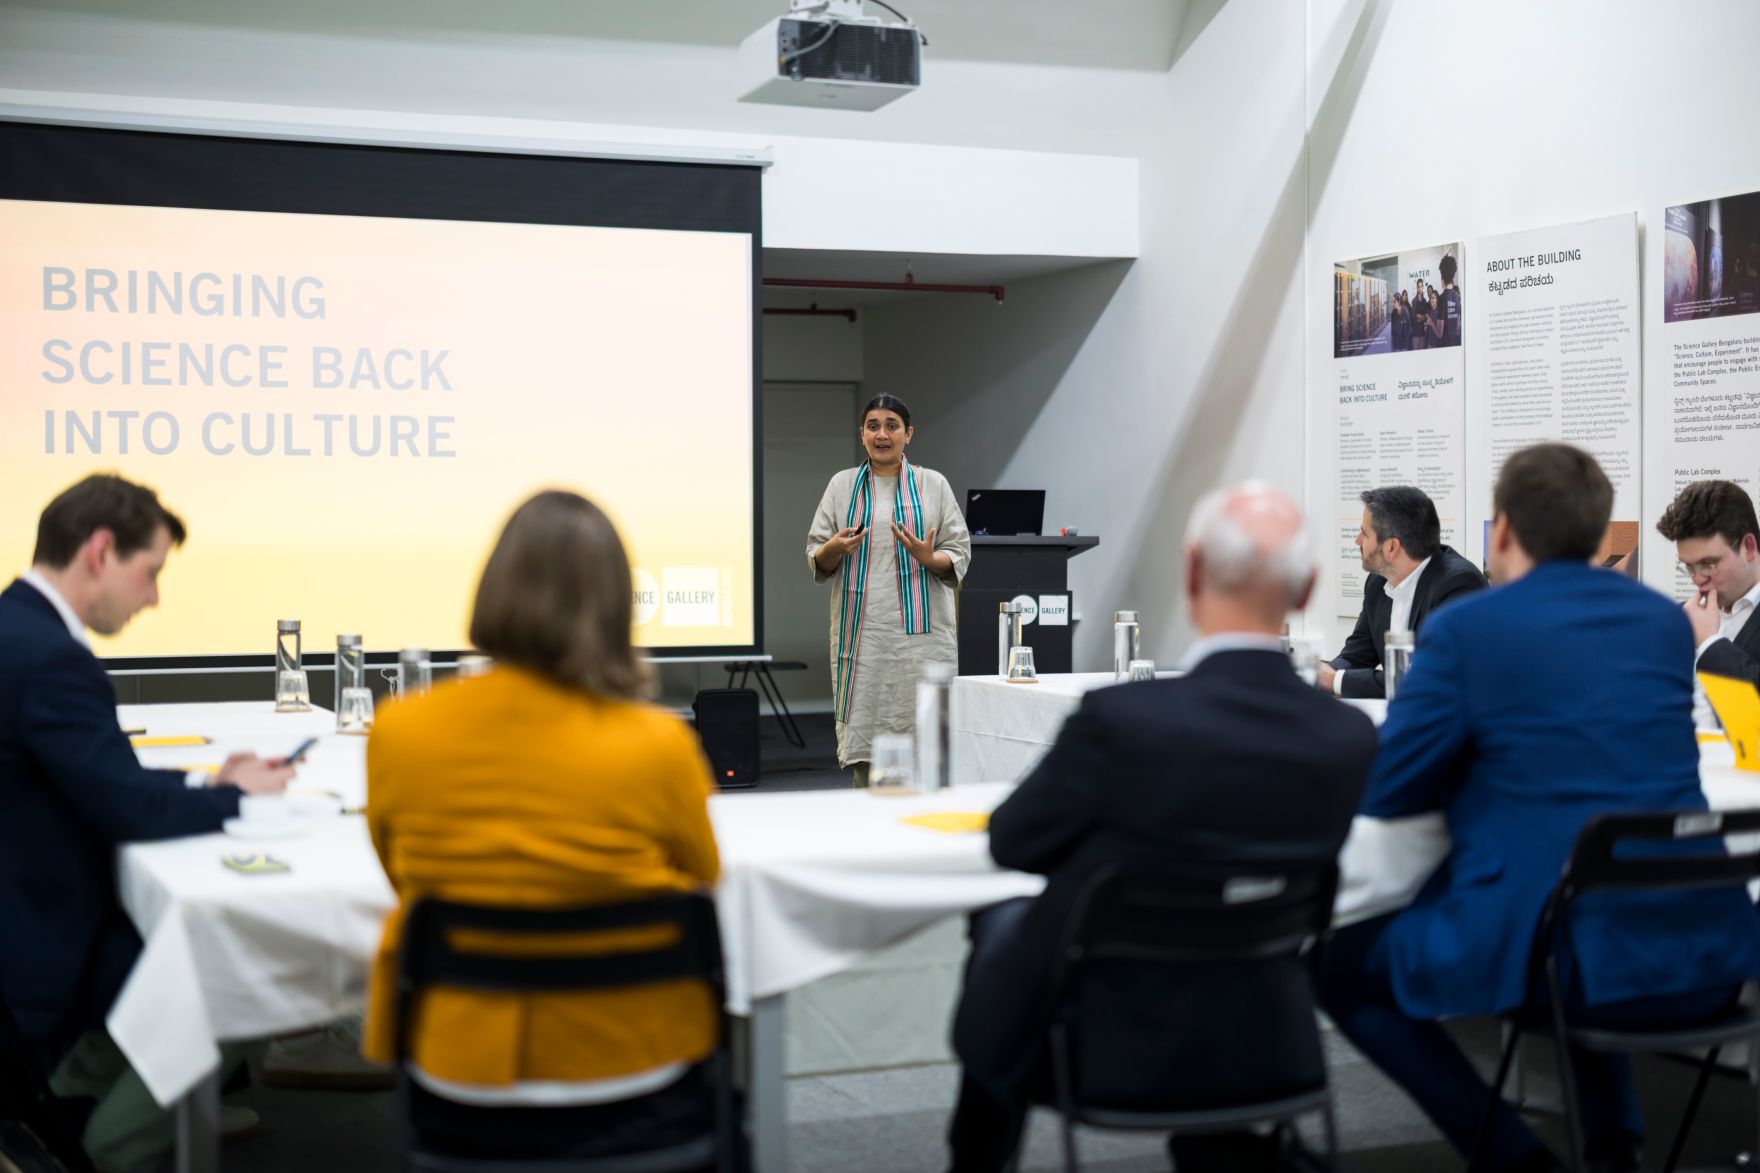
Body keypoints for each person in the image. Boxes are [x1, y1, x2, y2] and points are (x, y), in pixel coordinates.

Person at [1320, 444, 1760, 1173]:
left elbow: (1392, 786)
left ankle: (1516, 1160)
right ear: (1596, 532)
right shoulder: (1660, 621)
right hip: (1705, 950)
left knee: (1341, 967)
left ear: (1501, 532)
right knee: (1577, 893)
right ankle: (1613, 1150)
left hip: (1564, 961)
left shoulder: (1468, 627)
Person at [946, 483, 1378, 1173]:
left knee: (1001, 921)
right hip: (1264, 1033)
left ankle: (978, 1157)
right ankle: (1224, 1140)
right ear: (1307, 588)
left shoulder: (1123, 719)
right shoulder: (1346, 738)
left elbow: (1013, 842)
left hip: (1102, 1038)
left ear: (1192, 572)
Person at [361, 490, 726, 1163]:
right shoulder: (659, 745)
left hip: (460, 1074)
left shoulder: (401, 730)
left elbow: (401, 875)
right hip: (637, 1064)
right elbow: (702, 878)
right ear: (615, 604)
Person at [0, 474, 294, 1173]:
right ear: (100, 551)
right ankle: (106, 1145)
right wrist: (235, 799)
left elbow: (98, 777)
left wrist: (206, 783)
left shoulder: (16, 629)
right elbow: (126, 806)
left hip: (23, 920)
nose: (154, 597)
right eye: (151, 572)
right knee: (230, 961)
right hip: (37, 956)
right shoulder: (53, 660)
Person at [807, 394, 971, 784]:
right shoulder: (842, 485)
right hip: (863, 638)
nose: (882, 434)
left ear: (908, 434)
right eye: (873, 426)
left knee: (926, 737)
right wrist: (834, 548)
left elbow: (959, 550)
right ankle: (869, 812)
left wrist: (929, 557)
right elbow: (816, 555)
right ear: (861, 434)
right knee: (867, 741)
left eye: (891, 426)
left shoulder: (933, 484)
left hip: (922, 642)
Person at [1320, 485, 1485, 698]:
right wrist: (1317, 673)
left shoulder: (1458, 585)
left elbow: (1427, 679)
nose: (1357, 541)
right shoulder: (1378, 582)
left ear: (1391, 547)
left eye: (1364, 533)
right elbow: (1356, 657)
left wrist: (1336, 680)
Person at [1655, 479, 1760, 724]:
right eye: (1689, 567)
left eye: (1709, 564)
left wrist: (1710, 645)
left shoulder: (1703, 633)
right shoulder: (1682, 617)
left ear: (1748, 547)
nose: (1698, 579)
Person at [1430, 256, 1462, 347]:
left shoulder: (1441, 299)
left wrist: (1431, 322)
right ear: (1453, 276)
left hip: (1444, 346)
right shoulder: (1458, 297)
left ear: (1442, 277)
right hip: (1455, 344)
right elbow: (1457, 328)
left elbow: (1439, 334)